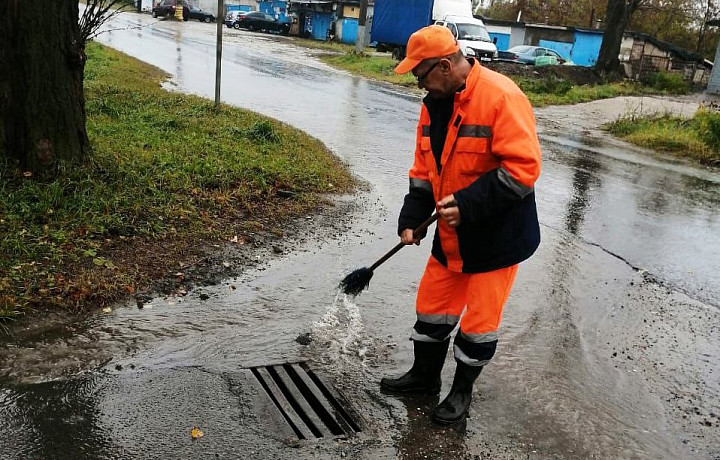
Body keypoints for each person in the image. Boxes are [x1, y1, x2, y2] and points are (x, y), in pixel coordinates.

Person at [380, 25, 541, 426]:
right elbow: (423, 171)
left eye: (422, 75)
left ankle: (461, 392)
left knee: (478, 325)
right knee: (432, 308)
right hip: (451, 235)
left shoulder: (502, 97)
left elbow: (523, 170)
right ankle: (423, 376)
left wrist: (468, 205)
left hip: (497, 237)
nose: (420, 85)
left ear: (447, 65)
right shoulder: (434, 103)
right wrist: (412, 219)